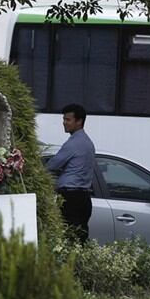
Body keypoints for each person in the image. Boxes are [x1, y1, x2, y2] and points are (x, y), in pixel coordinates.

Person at [46, 104, 96, 242]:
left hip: (71, 197)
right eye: (64, 119)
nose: (64, 123)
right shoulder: (89, 143)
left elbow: (52, 165)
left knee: (67, 239)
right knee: (80, 239)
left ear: (79, 121)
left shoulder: (73, 143)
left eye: (68, 120)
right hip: (85, 197)